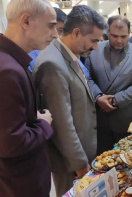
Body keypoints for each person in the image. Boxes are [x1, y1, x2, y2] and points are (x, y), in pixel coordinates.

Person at [33, 5, 104, 196]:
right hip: (69, 162)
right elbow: (62, 123)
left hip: (80, 153)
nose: (96, 47)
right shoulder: (52, 63)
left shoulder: (69, 55)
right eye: (94, 40)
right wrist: (80, 164)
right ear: (76, 33)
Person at [0, 0, 55, 196]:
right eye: (50, 25)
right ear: (26, 21)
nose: (55, 33)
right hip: (20, 185)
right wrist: (44, 124)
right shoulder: (6, 70)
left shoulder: (11, 61)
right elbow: (12, 142)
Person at [86, 16, 132, 154]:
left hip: (128, 121)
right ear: (107, 32)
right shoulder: (94, 50)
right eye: (114, 36)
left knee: (131, 163)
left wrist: (115, 101)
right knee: (103, 163)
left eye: (124, 36)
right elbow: (87, 78)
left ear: (129, 34)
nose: (119, 40)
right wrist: (98, 97)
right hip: (100, 120)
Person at [28, 7, 67, 72]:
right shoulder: (29, 54)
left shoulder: (64, 49)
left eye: (61, 31)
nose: (56, 35)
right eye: (50, 27)